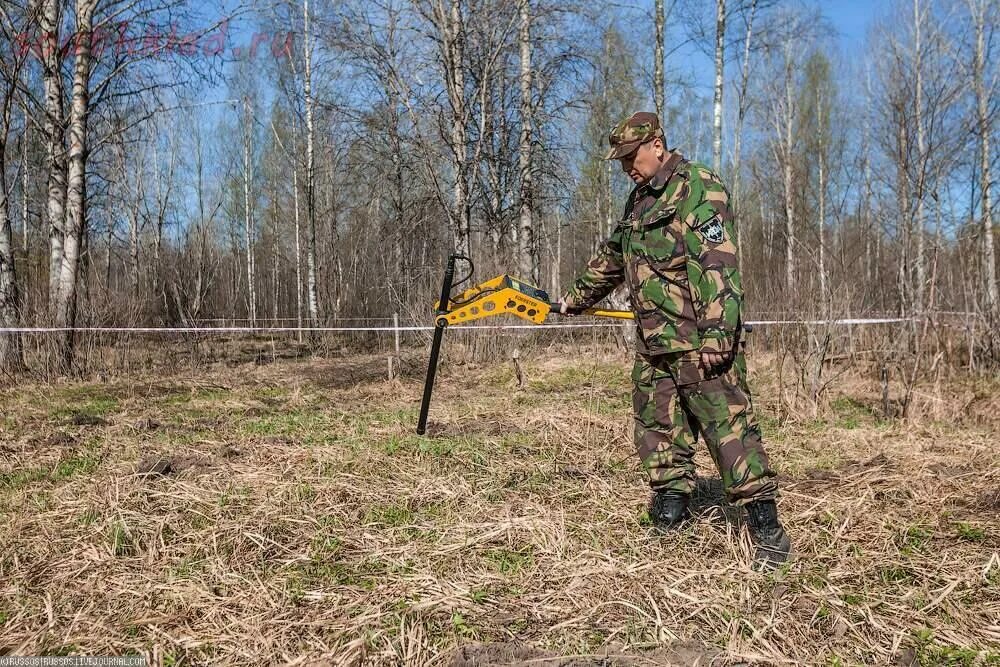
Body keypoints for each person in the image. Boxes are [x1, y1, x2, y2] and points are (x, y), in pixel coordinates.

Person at [559, 111, 790, 569]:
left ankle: (765, 527)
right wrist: (574, 299)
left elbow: (717, 263)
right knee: (657, 430)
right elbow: (612, 257)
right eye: (621, 160)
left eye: (632, 156)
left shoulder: (697, 186)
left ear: (657, 145)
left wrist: (719, 337)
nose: (627, 167)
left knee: (729, 431)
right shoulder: (638, 201)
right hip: (653, 344)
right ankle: (671, 508)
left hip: (698, 342)